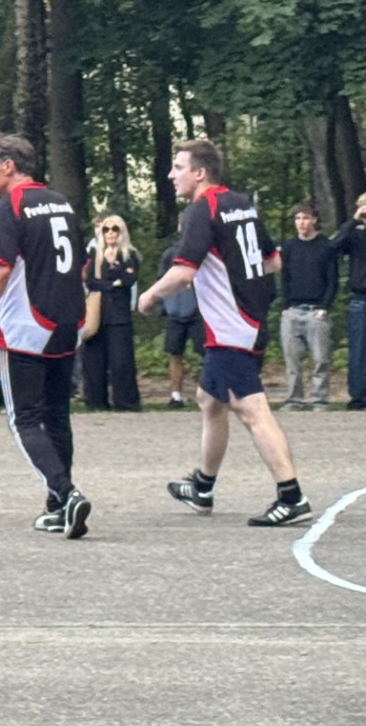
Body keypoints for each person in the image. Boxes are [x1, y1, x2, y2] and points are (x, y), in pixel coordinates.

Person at [137, 138, 310, 527]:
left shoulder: (202, 210)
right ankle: (202, 487)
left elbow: (183, 273)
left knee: (252, 410)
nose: (171, 175)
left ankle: (292, 496)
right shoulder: (241, 203)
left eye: (178, 167)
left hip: (231, 327)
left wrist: (149, 295)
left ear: (199, 173)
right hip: (248, 319)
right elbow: (273, 262)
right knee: (210, 400)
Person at [0, 133, 91, 539]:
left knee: (25, 419)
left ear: (9, 166)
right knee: (57, 415)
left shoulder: (8, 208)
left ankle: (66, 494)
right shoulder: (61, 202)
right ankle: (57, 506)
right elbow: (82, 266)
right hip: (67, 320)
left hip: (26, 325)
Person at [277, 201, 338, 410]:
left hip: (316, 311)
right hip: (292, 310)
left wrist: (324, 307)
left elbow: (332, 280)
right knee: (292, 360)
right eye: (297, 218)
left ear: (314, 220)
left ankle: (319, 399)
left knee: (321, 358)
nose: (301, 222)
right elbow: (284, 277)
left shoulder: (325, 246)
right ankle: (294, 399)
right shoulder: (289, 247)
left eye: (305, 218)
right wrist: (285, 306)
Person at [80, 214, 140, 411]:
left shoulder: (129, 255)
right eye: (106, 229)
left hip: (119, 315)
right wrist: (113, 283)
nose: (110, 233)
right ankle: (95, 402)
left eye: (115, 229)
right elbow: (90, 281)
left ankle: (126, 402)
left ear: (122, 231)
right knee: (93, 360)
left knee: (121, 360)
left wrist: (109, 280)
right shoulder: (94, 254)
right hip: (97, 312)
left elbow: (129, 279)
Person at [156, 236, 206, 409]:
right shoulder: (170, 254)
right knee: (174, 353)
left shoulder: (201, 252)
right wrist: (163, 305)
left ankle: (208, 393)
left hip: (198, 311)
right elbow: (161, 280)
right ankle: (176, 396)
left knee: (206, 352)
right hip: (175, 310)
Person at [334, 192, 366, 408]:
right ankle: (358, 396)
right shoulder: (354, 233)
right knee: (358, 350)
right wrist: (355, 220)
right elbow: (334, 246)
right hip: (360, 298)